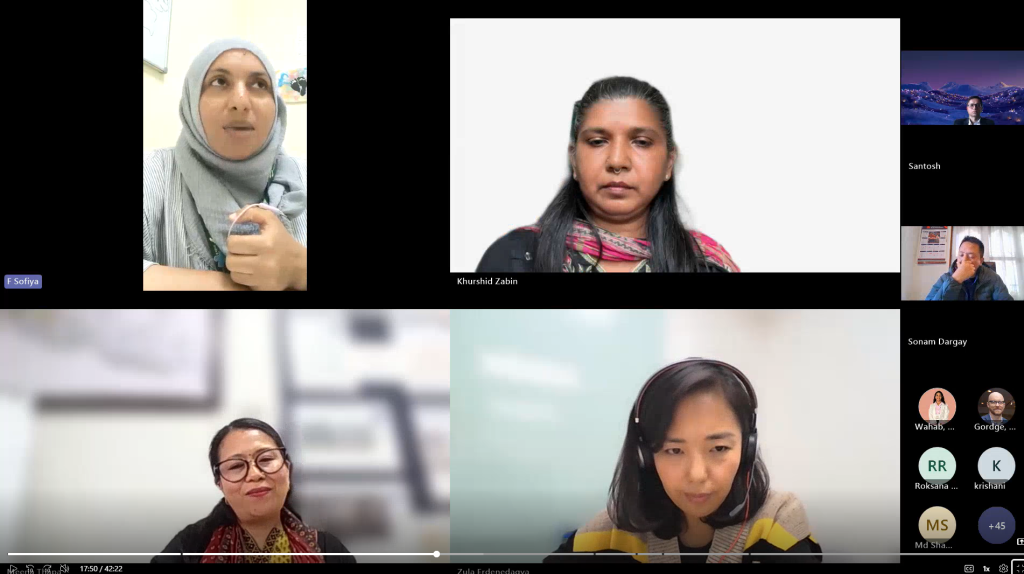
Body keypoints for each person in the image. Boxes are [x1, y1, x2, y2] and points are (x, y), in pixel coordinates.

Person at [543, 359, 821, 564]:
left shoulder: (776, 520)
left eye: (719, 448)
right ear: (646, 456)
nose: (697, 474)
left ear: (747, 449)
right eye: (674, 451)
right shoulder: (613, 530)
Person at [476, 76, 739, 273]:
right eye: (598, 142)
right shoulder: (513, 258)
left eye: (641, 142)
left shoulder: (706, 265)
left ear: (669, 163)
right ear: (574, 160)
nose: (617, 161)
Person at [144, 38, 307, 290]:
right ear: (192, 100)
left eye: (259, 84)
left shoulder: (301, 177)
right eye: (219, 82)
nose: (240, 101)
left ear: (277, 107)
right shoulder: (151, 174)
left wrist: (299, 268)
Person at [152, 418, 354, 563]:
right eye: (236, 466)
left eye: (266, 459)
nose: (254, 474)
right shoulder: (189, 548)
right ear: (220, 483)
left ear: (287, 468)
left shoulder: (328, 551)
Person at [925, 237, 1013, 300]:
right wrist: (955, 280)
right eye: (961, 255)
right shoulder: (945, 278)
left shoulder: (993, 278)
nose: (964, 260)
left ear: (981, 261)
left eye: (971, 256)